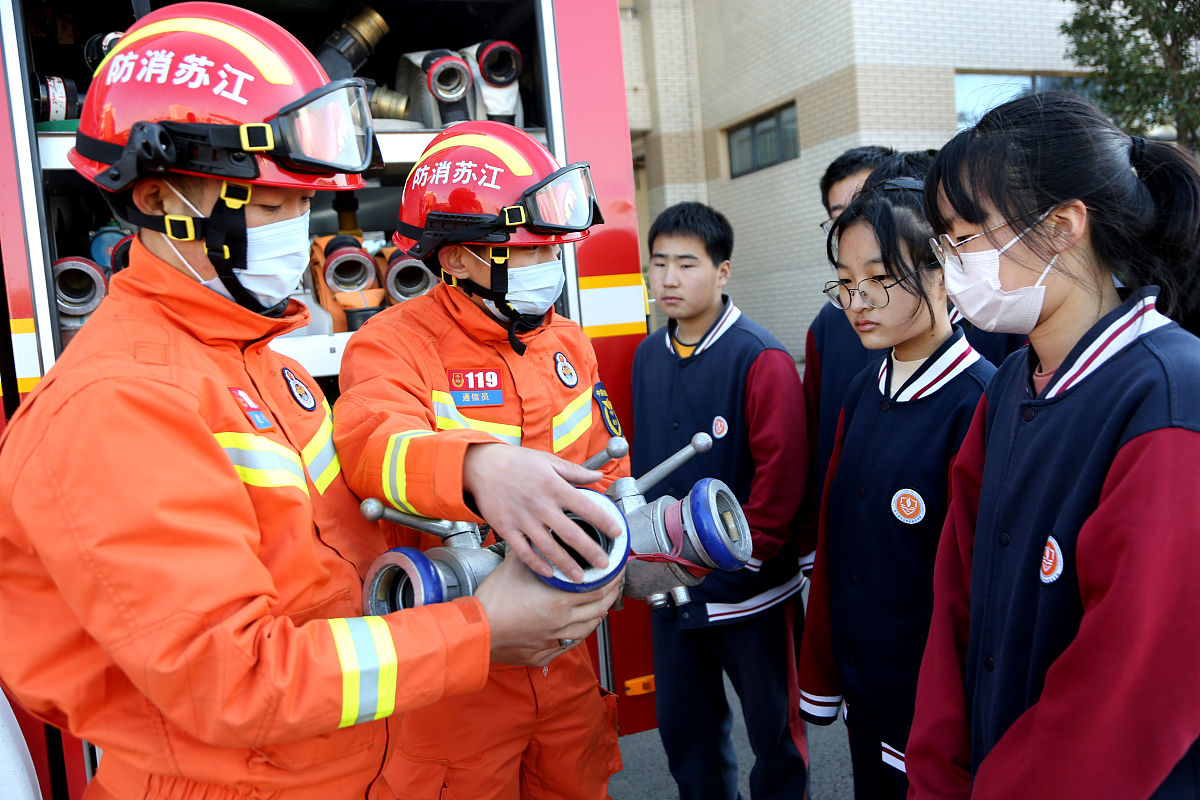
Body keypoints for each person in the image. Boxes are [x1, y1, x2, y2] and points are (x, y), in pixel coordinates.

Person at [0, 6, 614, 799]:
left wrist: (479, 478)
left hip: (335, 761)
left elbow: (336, 556)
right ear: (158, 197)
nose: (297, 228)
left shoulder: (252, 361)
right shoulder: (118, 403)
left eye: (300, 202)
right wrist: (483, 630)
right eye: (267, 205)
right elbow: (240, 679)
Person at [907, 91, 1200, 798]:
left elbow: (1126, 687)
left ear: (1065, 225)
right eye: (942, 241)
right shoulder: (1012, 385)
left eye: (966, 235)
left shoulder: (1169, 397)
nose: (949, 262)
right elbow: (955, 604)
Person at [332, 120, 628, 800]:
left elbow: (604, 469)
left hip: (564, 659)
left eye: (550, 246)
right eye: (523, 249)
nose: (548, 263)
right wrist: (477, 467)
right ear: (457, 258)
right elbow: (372, 447)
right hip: (457, 676)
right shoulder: (391, 347)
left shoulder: (568, 346)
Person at [796, 177, 996, 798]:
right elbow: (840, 544)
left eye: (880, 277)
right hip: (869, 688)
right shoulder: (863, 388)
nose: (859, 299)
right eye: (846, 280)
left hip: (937, 705)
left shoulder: (979, 404)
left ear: (944, 272)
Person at [632, 201, 809, 799]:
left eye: (687, 264)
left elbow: (781, 483)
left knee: (776, 740)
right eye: (659, 265)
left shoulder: (761, 358)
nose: (670, 279)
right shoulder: (647, 355)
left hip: (749, 589)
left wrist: (736, 564)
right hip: (667, 583)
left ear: (723, 271)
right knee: (688, 738)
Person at [800, 146, 894, 572]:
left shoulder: (980, 325)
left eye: (867, 205)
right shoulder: (827, 325)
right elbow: (814, 440)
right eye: (839, 215)